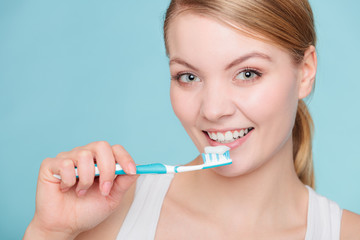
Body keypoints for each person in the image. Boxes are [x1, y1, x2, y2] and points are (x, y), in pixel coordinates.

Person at [24, 0, 360, 239]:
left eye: (247, 73)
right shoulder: (105, 218)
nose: (212, 110)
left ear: (305, 72)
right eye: (188, 77)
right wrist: (49, 232)